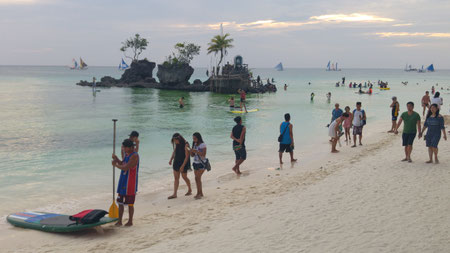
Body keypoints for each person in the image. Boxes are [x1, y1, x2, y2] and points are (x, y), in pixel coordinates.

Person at [112, 139, 140, 226]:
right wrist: (116, 159)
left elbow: (125, 167)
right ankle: (120, 221)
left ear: (131, 147)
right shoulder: (127, 154)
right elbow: (122, 163)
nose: (123, 149)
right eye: (123, 147)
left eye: (125, 147)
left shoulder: (134, 156)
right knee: (120, 202)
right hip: (123, 180)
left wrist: (115, 165)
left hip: (130, 183)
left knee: (130, 203)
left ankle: (130, 221)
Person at [168, 133, 192, 199]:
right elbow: (174, 151)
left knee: (184, 177)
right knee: (176, 178)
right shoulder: (177, 144)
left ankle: (190, 189)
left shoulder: (186, 144)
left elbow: (187, 157)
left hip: (183, 163)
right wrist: (171, 159)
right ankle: (175, 194)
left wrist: (182, 166)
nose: (175, 142)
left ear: (179, 139)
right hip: (176, 162)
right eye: (174, 141)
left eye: (175, 140)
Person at [190, 132, 207, 199]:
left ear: (198, 138)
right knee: (196, 178)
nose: (194, 140)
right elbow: (192, 155)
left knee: (198, 178)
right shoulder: (194, 144)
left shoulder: (203, 145)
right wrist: (190, 151)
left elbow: (203, 154)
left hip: (202, 163)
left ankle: (199, 193)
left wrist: (196, 151)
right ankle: (200, 193)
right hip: (196, 163)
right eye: (193, 138)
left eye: (195, 138)